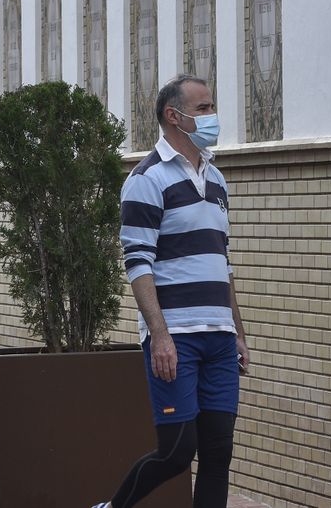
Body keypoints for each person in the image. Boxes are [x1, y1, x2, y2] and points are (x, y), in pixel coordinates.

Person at [92, 74, 251, 508]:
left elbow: (222, 262)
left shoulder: (216, 180)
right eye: (203, 108)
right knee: (177, 452)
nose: (212, 116)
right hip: (175, 337)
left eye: (211, 106)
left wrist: (237, 330)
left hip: (218, 338)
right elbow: (138, 264)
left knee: (219, 454)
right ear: (173, 115)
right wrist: (158, 334)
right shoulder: (146, 179)